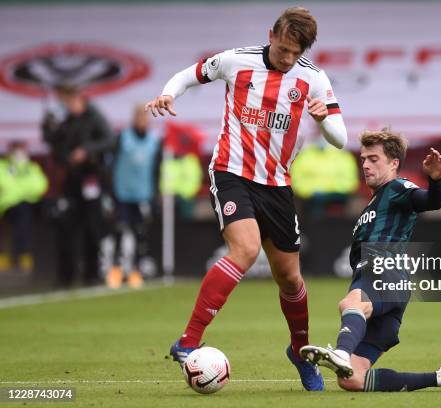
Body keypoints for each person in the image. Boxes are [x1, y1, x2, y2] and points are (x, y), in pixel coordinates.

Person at [145, 7, 347, 391]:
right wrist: (169, 93)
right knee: (245, 250)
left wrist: (324, 119)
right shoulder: (236, 61)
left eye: (294, 52)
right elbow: (191, 74)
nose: (286, 58)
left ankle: (300, 350)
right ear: (271, 34)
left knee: (290, 278)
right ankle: (188, 341)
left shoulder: (313, 79)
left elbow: (341, 138)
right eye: (283, 48)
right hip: (232, 172)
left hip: (277, 185)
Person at [300, 129, 441, 393]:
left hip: (383, 271)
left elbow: (430, 201)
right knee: (352, 380)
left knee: (351, 303)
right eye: (364, 159)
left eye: (374, 159)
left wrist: (435, 181)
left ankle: (342, 353)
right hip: (387, 290)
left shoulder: (397, 188)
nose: (366, 164)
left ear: (393, 163)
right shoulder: (373, 203)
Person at [42, 83, 114, 287]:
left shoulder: (94, 117)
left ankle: (91, 274)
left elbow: (109, 140)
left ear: (79, 98)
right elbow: (56, 145)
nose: (69, 105)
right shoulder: (66, 120)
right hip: (71, 181)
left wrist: (86, 150)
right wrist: (48, 128)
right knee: (66, 226)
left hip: (91, 178)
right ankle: (66, 275)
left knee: (93, 228)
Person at [107, 103, 161, 289]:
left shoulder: (154, 141)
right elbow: (111, 164)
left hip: (142, 194)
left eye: (144, 118)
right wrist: (110, 192)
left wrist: (155, 195)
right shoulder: (123, 138)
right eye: (139, 117)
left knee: (140, 234)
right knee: (120, 231)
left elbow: (156, 170)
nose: (142, 121)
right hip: (122, 193)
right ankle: (115, 269)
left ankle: (136, 271)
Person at [0, 140, 48, 273]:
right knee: (22, 213)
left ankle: (28, 253)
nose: (19, 154)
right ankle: (22, 253)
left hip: (31, 204)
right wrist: (24, 189)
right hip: (7, 205)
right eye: (16, 151)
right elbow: (4, 184)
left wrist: (19, 188)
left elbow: (41, 185)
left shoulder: (31, 167)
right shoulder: (3, 166)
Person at [290, 137, 359, 218]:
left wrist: (328, 189)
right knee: (313, 204)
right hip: (310, 196)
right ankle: (315, 229)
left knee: (357, 205)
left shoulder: (344, 155)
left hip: (339, 194)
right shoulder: (304, 156)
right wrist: (311, 191)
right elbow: (296, 180)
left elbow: (350, 181)